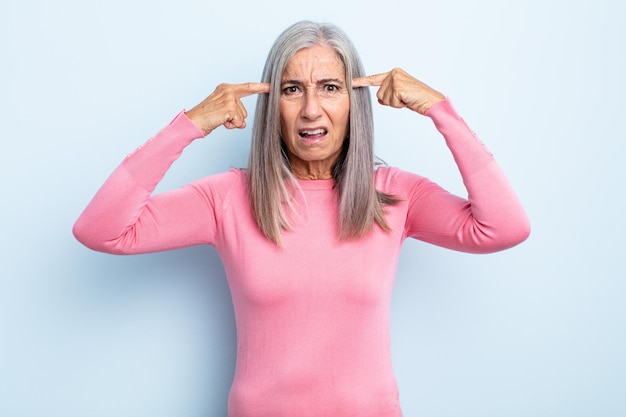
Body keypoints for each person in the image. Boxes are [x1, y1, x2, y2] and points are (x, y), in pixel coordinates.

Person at [73, 20, 530, 417]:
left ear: (354, 101)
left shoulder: (394, 195)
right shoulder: (228, 197)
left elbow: (505, 228)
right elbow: (100, 229)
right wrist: (190, 124)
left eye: (330, 87)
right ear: (272, 104)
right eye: (293, 89)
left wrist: (439, 110)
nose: (312, 109)